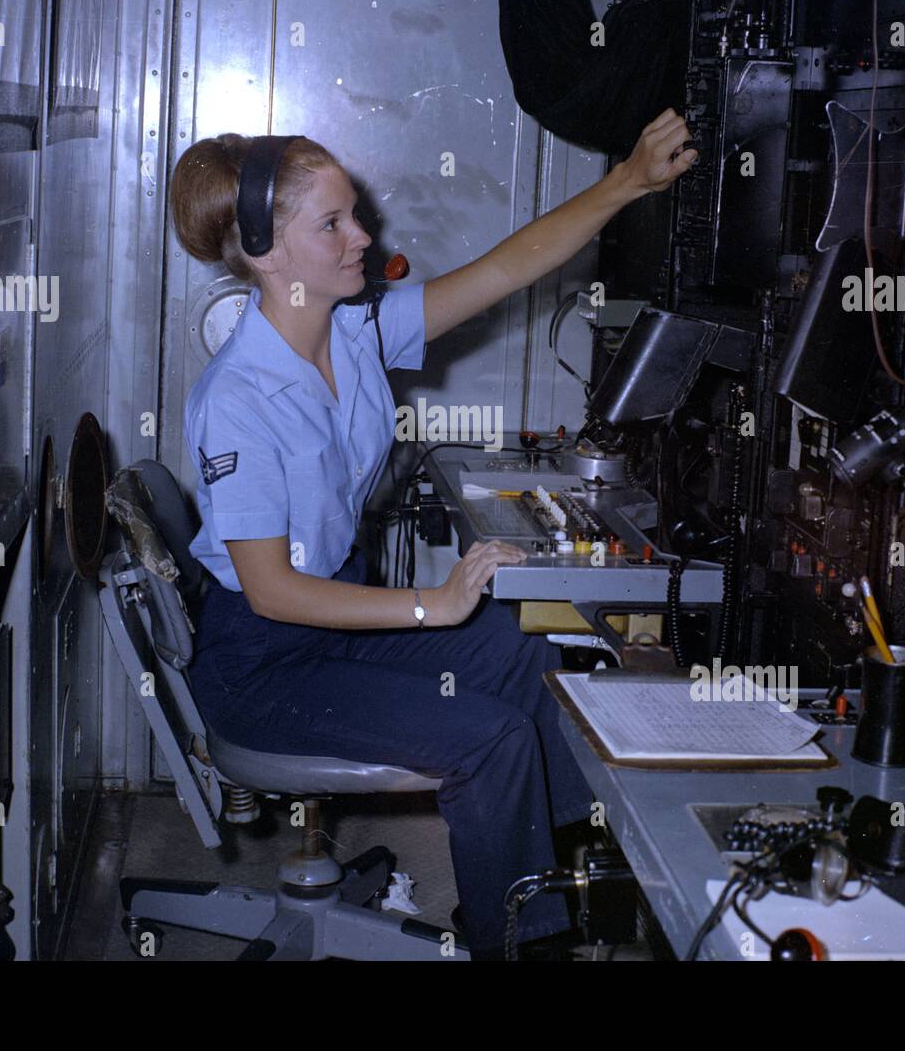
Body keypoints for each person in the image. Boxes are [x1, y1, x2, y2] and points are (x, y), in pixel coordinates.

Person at [172, 110, 697, 960]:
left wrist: (628, 181)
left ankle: (553, 896)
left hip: (330, 633)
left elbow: (506, 268)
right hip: (264, 660)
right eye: (334, 223)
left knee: (529, 653)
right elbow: (271, 589)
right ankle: (519, 944)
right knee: (486, 740)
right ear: (268, 252)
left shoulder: (356, 330)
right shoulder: (238, 397)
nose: (364, 238)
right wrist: (433, 605)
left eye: (355, 215)